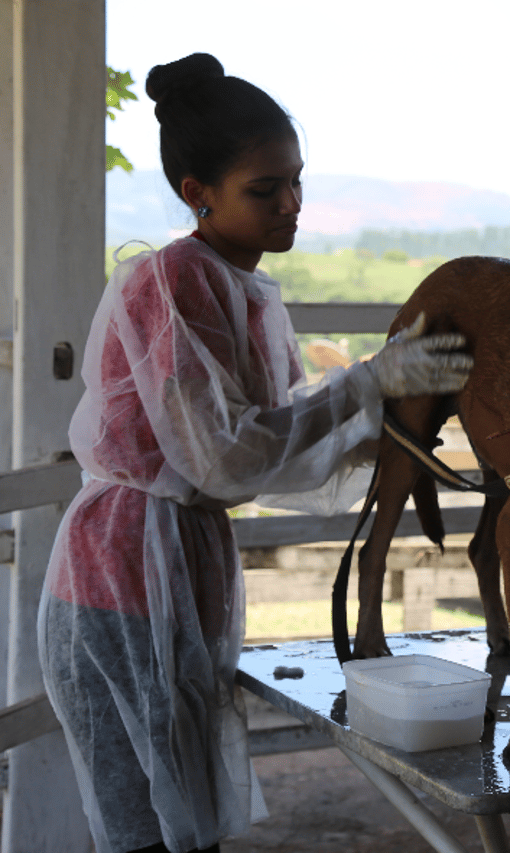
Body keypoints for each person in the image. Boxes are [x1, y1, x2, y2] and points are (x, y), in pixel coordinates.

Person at [37, 53, 472, 853]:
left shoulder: (238, 285)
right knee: (148, 828)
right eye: (264, 190)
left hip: (178, 565)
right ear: (195, 193)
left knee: (183, 817)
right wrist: (365, 387)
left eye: (297, 181)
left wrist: (370, 435)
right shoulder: (172, 283)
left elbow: (262, 440)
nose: (291, 206)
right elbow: (227, 459)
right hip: (122, 575)